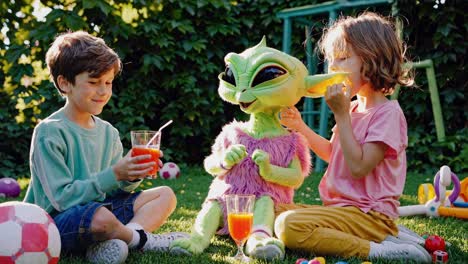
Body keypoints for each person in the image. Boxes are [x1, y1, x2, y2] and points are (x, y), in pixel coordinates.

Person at [274, 12, 431, 263]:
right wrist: (300, 126)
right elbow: (334, 155)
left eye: (344, 58)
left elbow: (358, 167)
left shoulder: (387, 114)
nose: (333, 67)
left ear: (372, 60)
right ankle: (390, 237)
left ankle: (381, 249)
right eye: (331, 60)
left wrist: (341, 115)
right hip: (341, 211)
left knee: (288, 225)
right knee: (270, 210)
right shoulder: (355, 108)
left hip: (369, 216)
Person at [24, 31, 187, 264]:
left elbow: (114, 191)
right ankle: (141, 240)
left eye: (108, 82)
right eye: (93, 82)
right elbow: (61, 199)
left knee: (165, 195)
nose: (103, 91)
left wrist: (131, 175)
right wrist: (113, 173)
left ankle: (116, 240)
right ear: (64, 83)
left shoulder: (108, 132)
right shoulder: (49, 131)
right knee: (99, 217)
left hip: (100, 211)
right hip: (57, 221)